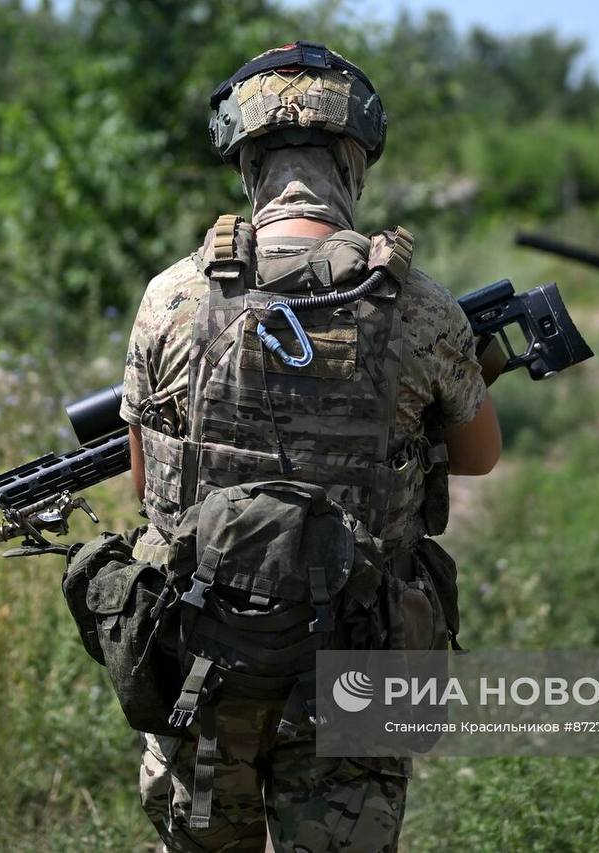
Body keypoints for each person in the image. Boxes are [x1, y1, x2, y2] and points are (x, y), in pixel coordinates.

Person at [119, 42, 500, 850]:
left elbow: (144, 486)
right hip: (357, 663)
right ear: (354, 160)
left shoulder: (171, 298)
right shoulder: (422, 309)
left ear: (248, 162)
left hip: (205, 658)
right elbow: (479, 456)